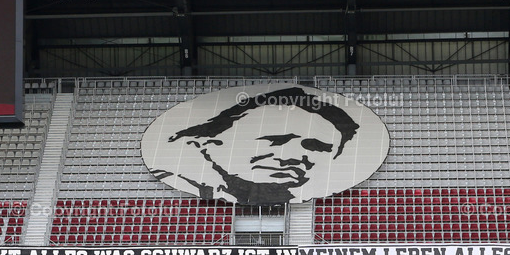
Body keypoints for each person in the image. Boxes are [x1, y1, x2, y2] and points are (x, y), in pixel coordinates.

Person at [150, 86, 367, 204]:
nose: (294, 155)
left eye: (316, 146)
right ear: (211, 144)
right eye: (276, 140)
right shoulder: (181, 181)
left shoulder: (306, 196)